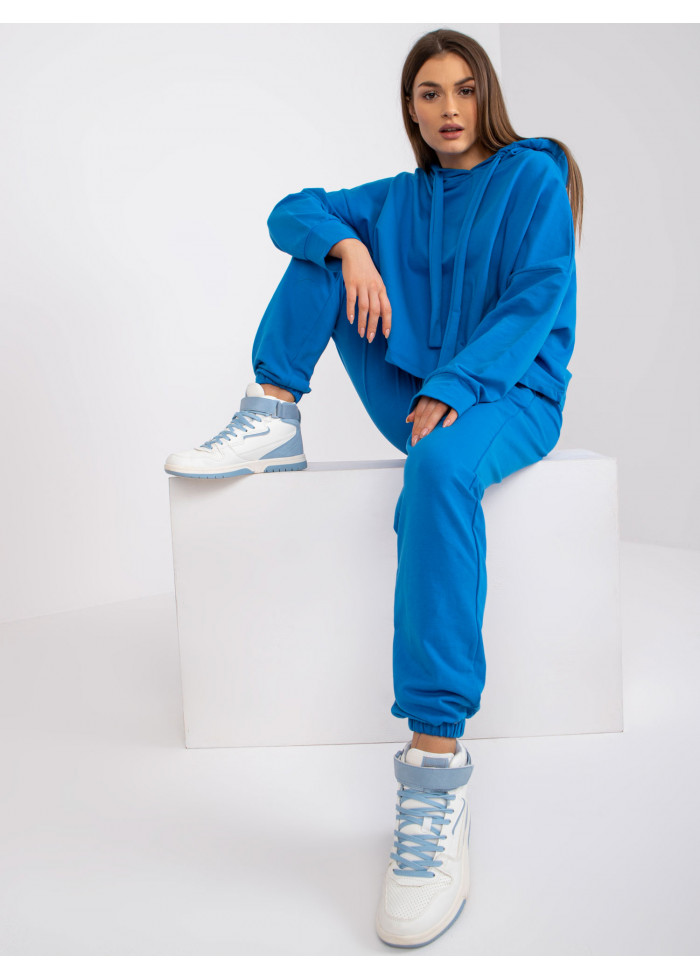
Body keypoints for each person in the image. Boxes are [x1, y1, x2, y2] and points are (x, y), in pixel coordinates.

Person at [164, 27, 582, 949]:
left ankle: (434, 771)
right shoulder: (399, 197)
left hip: (509, 393)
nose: (448, 108)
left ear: (486, 97)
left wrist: (457, 384)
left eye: (463, 89)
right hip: (422, 390)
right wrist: (349, 249)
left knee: (439, 469)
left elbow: (538, 296)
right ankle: (273, 412)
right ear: (410, 108)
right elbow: (289, 212)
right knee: (322, 245)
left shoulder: (532, 177)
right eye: (429, 93)